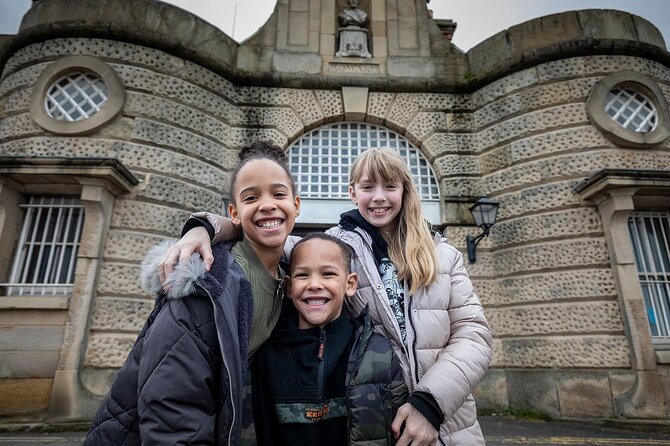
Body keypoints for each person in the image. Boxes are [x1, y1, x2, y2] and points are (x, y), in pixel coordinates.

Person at [163, 148, 493, 446]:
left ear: (405, 191)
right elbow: (266, 229)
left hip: (448, 418)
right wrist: (203, 228)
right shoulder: (334, 247)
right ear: (352, 193)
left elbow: (473, 335)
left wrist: (430, 404)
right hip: (379, 419)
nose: (379, 197)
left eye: (389, 186)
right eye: (367, 187)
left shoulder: (444, 255)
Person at [83, 140, 301, 445]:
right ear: (234, 213)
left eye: (279, 194)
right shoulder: (206, 283)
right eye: (251, 197)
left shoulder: (294, 276)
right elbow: (172, 404)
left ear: (297, 205)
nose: (267, 204)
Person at [252, 232, 407, 445]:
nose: (314, 284)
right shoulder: (267, 358)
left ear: (350, 284)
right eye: (303, 275)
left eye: (327, 274)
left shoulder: (378, 353)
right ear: (289, 287)